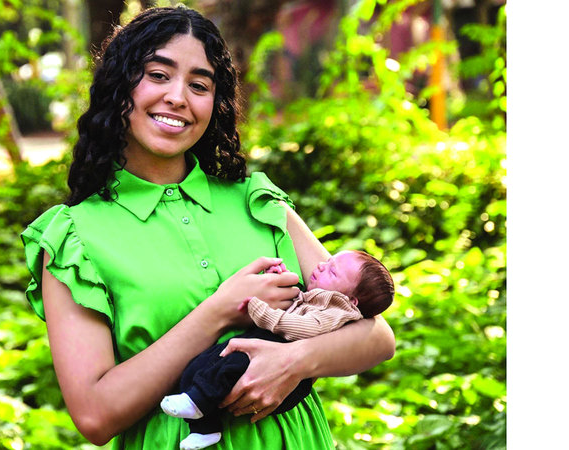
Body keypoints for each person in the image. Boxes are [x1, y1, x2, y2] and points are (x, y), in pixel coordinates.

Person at [21, 6, 395, 449]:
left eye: (199, 85)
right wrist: (219, 311)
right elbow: (94, 415)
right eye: (158, 75)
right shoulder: (74, 238)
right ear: (119, 85)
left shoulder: (259, 202)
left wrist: (295, 360)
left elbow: (376, 336)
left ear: (215, 104)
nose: (178, 97)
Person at [160, 250, 394, 449]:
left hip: (275, 370)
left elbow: (302, 327)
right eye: (328, 261)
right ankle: (205, 429)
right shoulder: (317, 298)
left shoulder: (337, 312)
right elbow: (296, 301)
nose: (322, 266)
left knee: (228, 369)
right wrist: (279, 280)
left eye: (332, 272)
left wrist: (259, 309)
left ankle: (197, 403)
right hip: (256, 348)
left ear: (352, 301)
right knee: (200, 366)